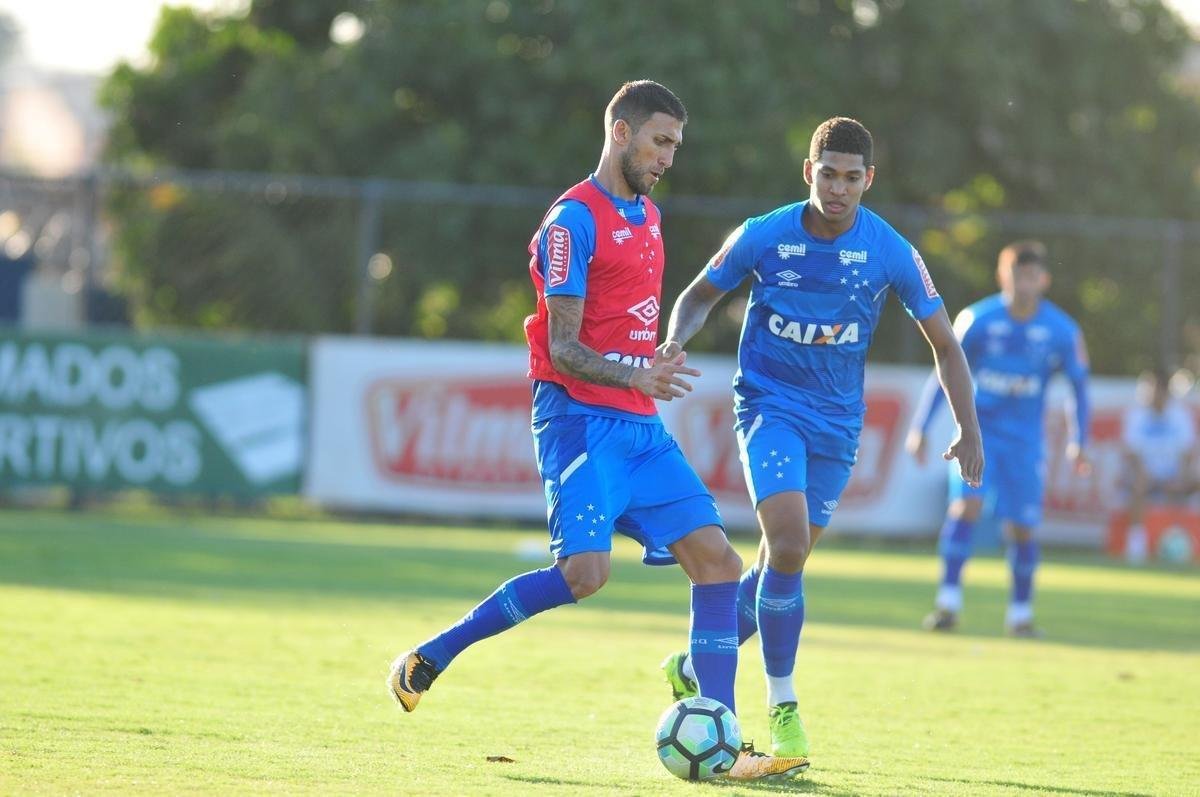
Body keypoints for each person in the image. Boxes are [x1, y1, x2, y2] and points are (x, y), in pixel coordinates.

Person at [386, 80, 809, 780]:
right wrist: (635, 375)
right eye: (659, 140)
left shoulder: (649, 216)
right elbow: (564, 349)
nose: (669, 156)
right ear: (620, 132)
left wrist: (654, 359)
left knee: (719, 562)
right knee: (585, 575)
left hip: (638, 423)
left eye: (676, 144)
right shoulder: (571, 221)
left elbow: (626, 331)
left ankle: (726, 742)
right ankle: (433, 653)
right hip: (579, 422)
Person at [657, 117, 984, 761]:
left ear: (869, 181)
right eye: (827, 175)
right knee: (783, 545)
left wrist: (968, 428)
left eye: (851, 178)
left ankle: (697, 665)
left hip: (837, 424)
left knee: (788, 561)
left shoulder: (889, 249)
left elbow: (946, 343)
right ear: (809, 172)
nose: (838, 189)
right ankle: (784, 709)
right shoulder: (764, 234)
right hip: (769, 407)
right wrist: (675, 339)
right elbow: (698, 296)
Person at [906, 240, 1090, 636]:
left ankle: (1020, 615)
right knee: (965, 509)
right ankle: (948, 604)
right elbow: (944, 368)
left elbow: (1079, 386)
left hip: (1024, 443)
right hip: (978, 437)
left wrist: (1080, 438)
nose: (1023, 285)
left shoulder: (1061, 330)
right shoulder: (977, 319)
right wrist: (920, 427)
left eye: (1031, 277)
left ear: (1044, 280)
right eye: (1015, 276)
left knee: (1022, 527)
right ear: (1002, 276)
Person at [1119, 367, 1197, 563]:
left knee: (1194, 481)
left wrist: (1180, 476)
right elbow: (1131, 453)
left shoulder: (1180, 416)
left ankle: (1180, 537)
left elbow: (1187, 453)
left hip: (1173, 474)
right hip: (1146, 476)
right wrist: (1144, 474)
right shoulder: (1136, 416)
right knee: (1138, 484)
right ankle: (1136, 544)